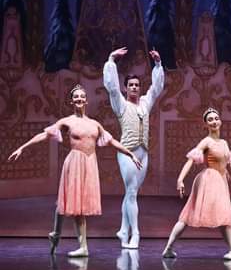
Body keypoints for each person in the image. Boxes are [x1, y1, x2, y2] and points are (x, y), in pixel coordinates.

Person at [7, 85, 141, 257]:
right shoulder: (66, 121)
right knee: (73, 203)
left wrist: (130, 154)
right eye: (76, 97)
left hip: (90, 163)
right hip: (75, 162)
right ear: (71, 101)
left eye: (82, 96)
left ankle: (56, 233)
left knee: (71, 202)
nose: (79, 99)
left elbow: (112, 141)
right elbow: (44, 135)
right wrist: (22, 148)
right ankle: (82, 247)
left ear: (86, 100)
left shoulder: (95, 124)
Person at [103, 46, 165, 249]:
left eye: (137, 85)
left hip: (143, 153)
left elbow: (156, 89)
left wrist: (158, 64)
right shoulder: (121, 104)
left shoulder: (145, 104)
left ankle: (122, 229)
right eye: (131, 85)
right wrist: (111, 59)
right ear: (126, 87)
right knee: (131, 192)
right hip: (126, 153)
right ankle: (135, 234)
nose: (134, 88)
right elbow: (111, 86)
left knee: (132, 193)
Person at [161, 108, 231, 260]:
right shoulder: (206, 141)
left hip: (221, 180)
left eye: (216, 118)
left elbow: (228, 163)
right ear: (206, 124)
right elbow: (191, 159)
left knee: (223, 215)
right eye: (210, 120)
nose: (214, 121)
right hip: (209, 179)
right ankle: (168, 248)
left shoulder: (224, 142)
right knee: (189, 214)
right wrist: (180, 179)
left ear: (220, 121)